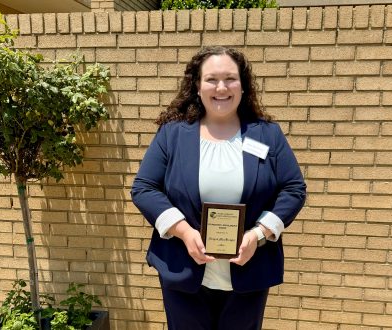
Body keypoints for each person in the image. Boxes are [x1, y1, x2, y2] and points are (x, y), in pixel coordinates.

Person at [131, 46, 306, 330]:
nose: (221, 87)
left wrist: (259, 235)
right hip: (183, 271)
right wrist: (184, 232)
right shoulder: (173, 135)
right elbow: (144, 187)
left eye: (230, 79)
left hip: (249, 273)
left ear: (243, 85)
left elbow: (293, 189)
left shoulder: (267, 134)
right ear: (197, 85)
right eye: (211, 79)